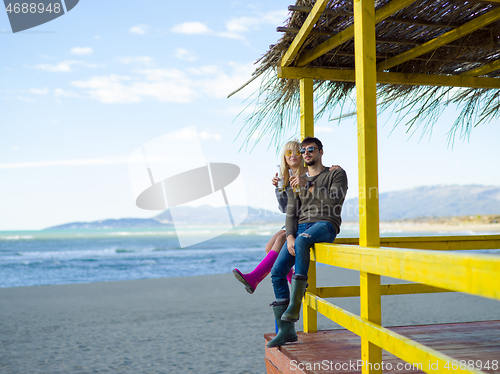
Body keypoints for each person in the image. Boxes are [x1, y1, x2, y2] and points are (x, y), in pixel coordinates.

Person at [267, 136, 348, 348]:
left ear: (321, 151)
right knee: (277, 272)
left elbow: (334, 200)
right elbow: (291, 212)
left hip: (325, 224)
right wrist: (290, 235)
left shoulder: (335, 173)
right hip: (301, 228)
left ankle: (294, 305)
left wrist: (308, 185)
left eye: (311, 149)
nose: (306, 153)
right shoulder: (297, 179)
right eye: (303, 151)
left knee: (303, 241)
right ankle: (287, 331)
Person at [233, 140, 307, 294]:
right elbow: (284, 208)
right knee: (269, 247)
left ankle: (254, 278)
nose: (293, 155)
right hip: (291, 220)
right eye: (288, 153)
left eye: (297, 152)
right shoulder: (286, 179)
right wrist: (279, 190)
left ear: (302, 155)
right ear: (284, 159)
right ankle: (291, 278)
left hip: (305, 221)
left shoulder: (308, 175)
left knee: (280, 240)